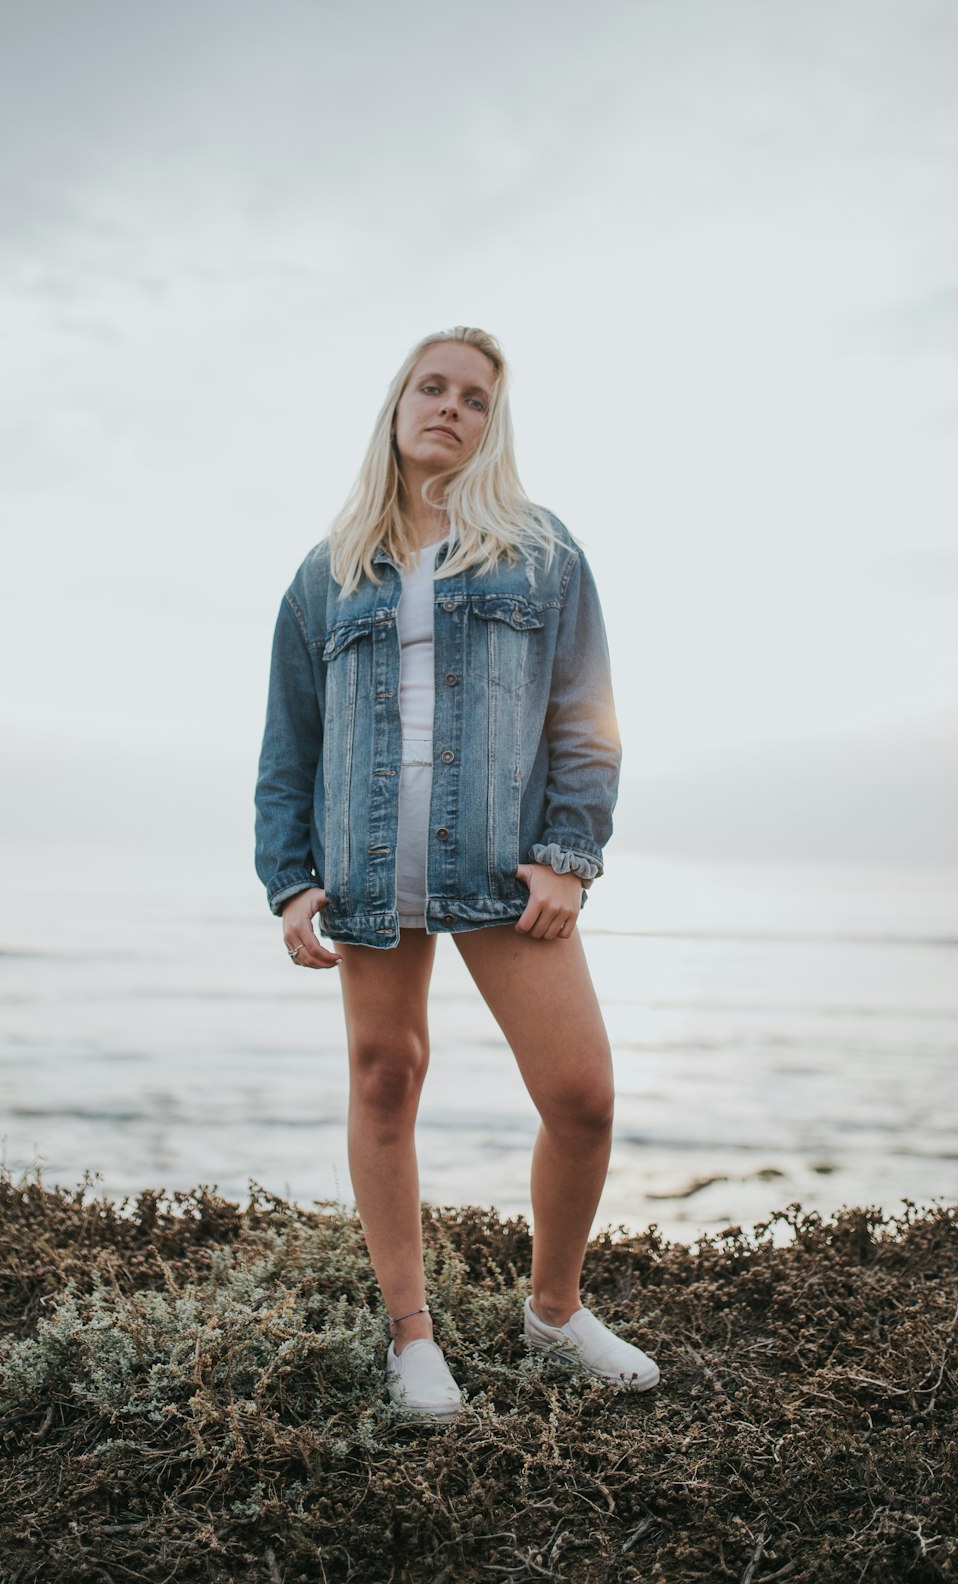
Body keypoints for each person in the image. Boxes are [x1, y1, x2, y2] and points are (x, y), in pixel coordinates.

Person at [255, 326, 660, 1420]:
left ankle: (555, 1311)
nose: (451, 408)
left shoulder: (542, 551)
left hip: (501, 870)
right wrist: (290, 880)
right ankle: (412, 1337)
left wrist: (568, 856)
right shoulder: (325, 573)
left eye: (475, 398)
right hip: (370, 876)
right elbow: (288, 747)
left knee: (582, 1097)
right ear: (396, 406)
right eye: (432, 388)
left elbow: (588, 718)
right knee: (387, 1081)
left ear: (493, 424)